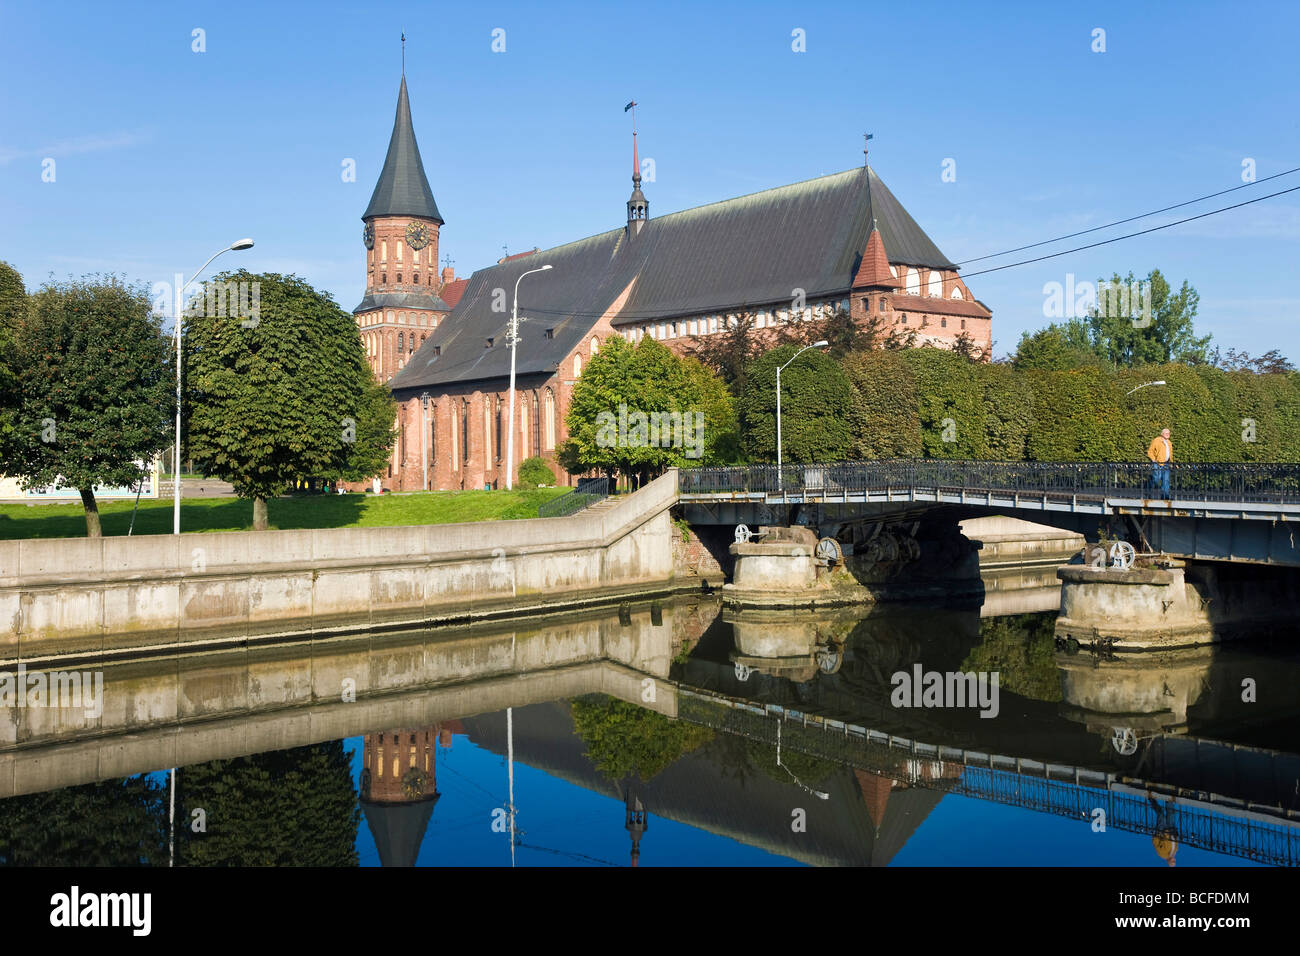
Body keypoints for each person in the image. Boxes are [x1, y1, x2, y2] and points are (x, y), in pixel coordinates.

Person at [1146, 427, 1172, 500]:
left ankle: (1165, 496)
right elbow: (1150, 451)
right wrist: (1154, 460)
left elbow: (1170, 453)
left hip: (1167, 463)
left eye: (1169, 433)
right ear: (1162, 434)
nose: (1168, 434)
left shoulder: (1169, 442)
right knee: (1156, 479)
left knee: (1166, 480)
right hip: (1158, 463)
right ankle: (1149, 491)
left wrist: (1171, 462)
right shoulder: (1157, 440)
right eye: (1166, 433)